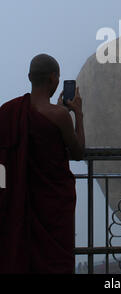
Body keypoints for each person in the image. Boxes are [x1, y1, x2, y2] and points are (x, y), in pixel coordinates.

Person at [0, 53, 85, 273]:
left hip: (15, 202)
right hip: (53, 208)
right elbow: (77, 152)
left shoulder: (8, 112)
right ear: (53, 80)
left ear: (30, 77)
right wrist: (78, 114)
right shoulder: (60, 116)